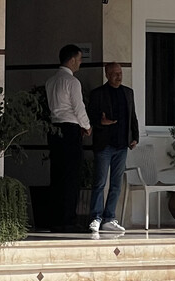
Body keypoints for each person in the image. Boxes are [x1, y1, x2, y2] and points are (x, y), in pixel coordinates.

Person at [86, 61, 139, 233]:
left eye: (120, 73)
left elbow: (132, 116)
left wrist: (135, 137)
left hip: (122, 144)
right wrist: (101, 122)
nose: (119, 76)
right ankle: (96, 217)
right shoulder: (98, 94)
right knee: (100, 182)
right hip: (104, 144)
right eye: (115, 74)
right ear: (107, 75)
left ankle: (109, 218)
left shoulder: (128, 93)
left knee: (116, 184)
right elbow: (90, 117)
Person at [44, 44, 91, 232]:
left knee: (57, 173)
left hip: (54, 129)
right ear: (71, 60)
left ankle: (55, 219)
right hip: (70, 129)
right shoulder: (72, 82)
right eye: (79, 59)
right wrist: (86, 126)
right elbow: (78, 107)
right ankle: (68, 220)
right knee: (71, 175)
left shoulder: (50, 81)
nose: (79, 63)